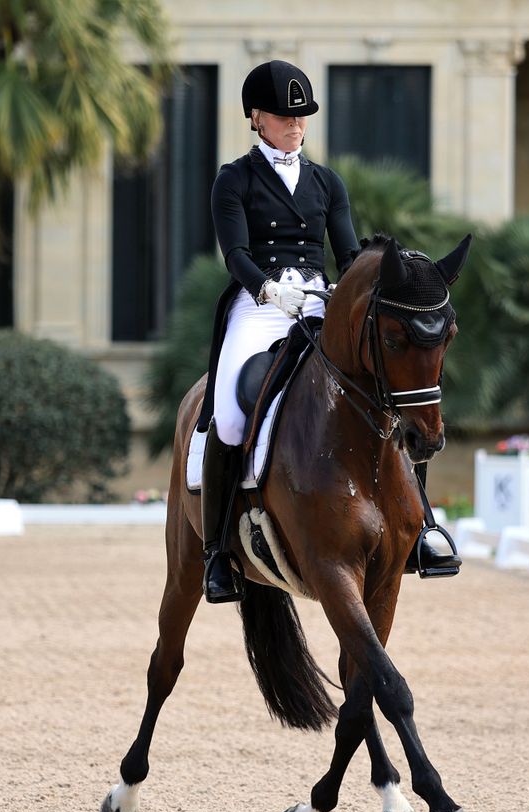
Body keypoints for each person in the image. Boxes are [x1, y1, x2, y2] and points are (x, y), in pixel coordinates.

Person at [197, 60, 361, 602]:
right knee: (228, 414)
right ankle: (219, 552)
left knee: (380, 392)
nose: (296, 126)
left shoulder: (325, 182)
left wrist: (350, 292)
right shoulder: (234, 179)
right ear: (257, 117)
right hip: (260, 304)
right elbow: (236, 255)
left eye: (302, 116)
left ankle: (422, 527)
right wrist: (269, 290)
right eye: (285, 116)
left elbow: (349, 254)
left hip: (316, 302)